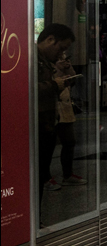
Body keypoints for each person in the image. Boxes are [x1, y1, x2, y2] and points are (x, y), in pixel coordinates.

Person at [37, 24, 76, 203]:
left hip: (47, 122)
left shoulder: (45, 61)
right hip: (37, 123)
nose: (60, 54)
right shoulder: (32, 60)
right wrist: (54, 85)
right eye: (60, 49)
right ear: (50, 40)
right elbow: (26, 88)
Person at [53, 52, 87, 186]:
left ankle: (67, 174)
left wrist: (67, 67)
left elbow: (72, 79)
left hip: (66, 106)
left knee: (69, 141)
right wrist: (58, 67)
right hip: (54, 106)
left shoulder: (63, 57)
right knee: (48, 145)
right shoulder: (45, 60)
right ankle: (45, 177)